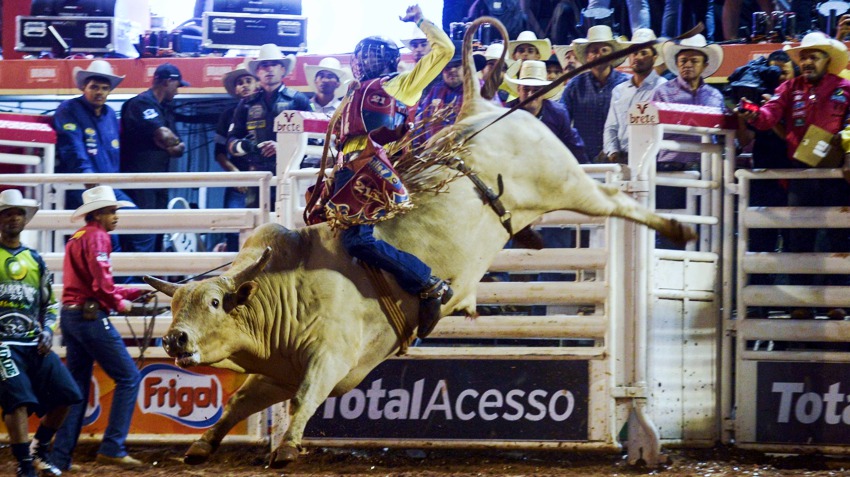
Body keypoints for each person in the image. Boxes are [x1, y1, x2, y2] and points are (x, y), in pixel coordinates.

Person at [311, 5, 454, 340]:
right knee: (331, 242)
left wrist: (420, 21)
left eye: (374, 55)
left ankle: (426, 283)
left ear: (389, 60)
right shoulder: (352, 91)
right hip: (347, 170)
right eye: (363, 55)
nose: (366, 61)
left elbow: (445, 50)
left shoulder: (402, 84)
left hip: (371, 170)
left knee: (357, 241)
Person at [738, 32, 850, 319]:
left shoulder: (845, 87)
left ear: (828, 60)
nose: (808, 62)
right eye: (804, 57)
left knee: (840, 238)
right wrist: (752, 113)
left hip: (836, 173)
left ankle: (836, 301)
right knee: (799, 238)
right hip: (801, 172)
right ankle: (800, 302)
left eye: (814, 56)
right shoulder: (789, 87)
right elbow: (768, 115)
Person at [51, 186, 149, 470]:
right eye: (111, 211)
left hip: (71, 316)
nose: (115, 216)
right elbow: (101, 285)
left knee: (77, 386)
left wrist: (130, 292)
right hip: (90, 317)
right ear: (97, 214)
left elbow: (95, 282)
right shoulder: (98, 238)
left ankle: (60, 457)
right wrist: (121, 303)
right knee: (129, 377)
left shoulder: (78, 238)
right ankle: (113, 446)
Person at [0, 189, 82, 477]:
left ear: (24, 219)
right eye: (7, 213)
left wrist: (48, 330)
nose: (13, 218)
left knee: (68, 394)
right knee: (18, 400)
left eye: (17, 213)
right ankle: (25, 466)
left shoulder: (35, 260)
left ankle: (39, 449)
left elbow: (49, 304)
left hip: (33, 343)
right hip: (2, 345)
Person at [227, 43, 313, 208]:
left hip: (290, 174)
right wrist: (246, 146)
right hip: (257, 176)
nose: (269, 69)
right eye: (264, 65)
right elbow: (231, 140)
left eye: (274, 64)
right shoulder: (246, 104)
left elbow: (316, 140)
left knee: (290, 225)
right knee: (255, 226)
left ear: (282, 69)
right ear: (257, 72)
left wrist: (284, 147)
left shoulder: (298, 100)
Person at [119, 63, 188, 254]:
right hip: (139, 181)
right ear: (167, 81)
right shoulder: (139, 103)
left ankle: (153, 278)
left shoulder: (164, 109)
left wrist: (168, 143)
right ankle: (137, 280)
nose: (178, 91)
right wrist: (167, 143)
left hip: (159, 180)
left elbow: (179, 147)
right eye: (177, 85)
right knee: (142, 231)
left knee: (158, 230)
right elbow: (166, 137)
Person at [54, 60, 133, 210]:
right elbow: (72, 148)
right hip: (81, 187)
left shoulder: (109, 114)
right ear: (84, 87)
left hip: (109, 188)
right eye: (94, 87)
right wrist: (88, 176)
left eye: (104, 88)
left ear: (109, 91)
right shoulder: (69, 109)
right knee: (108, 228)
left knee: (140, 224)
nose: (99, 92)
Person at [651, 34, 726, 169]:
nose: (688, 65)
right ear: (677, 64)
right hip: (671, 165)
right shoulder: (662, 92)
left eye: (694, 61)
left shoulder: (715, 96)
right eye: (683, 61)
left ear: (704, 65)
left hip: (707, 166)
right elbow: (652, 131)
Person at [561, 25, 631, 162]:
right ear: (587, 57)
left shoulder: (627, 84)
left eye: (604, 50)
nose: (599, 54)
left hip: (619, 159)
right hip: (582, 158)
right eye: (593, 51)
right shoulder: (575, 85)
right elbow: (562, 119)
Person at [603, 29, 667, 164]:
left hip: (652, 159)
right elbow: (611, 127)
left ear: (654, 58)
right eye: (634, 53)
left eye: (643, 53)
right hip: (622, 158)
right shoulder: (619, 90)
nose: (637, 57)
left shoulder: (663, 88)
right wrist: (613, 152)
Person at [213, 61, 259, 252]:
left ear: (257, 83)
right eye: (240, 82)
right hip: (238, 183)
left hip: (263, 175)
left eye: (248, 80)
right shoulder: (228, 114)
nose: (245, 85)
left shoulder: (268, 107)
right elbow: (219, 152)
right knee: (233, 227)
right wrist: (236, 174)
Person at [504, 60, 587, 162]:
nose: (530, 95)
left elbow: (575, 148)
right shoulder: (506, 114)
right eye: (526, 89)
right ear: (518, 90)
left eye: (536, 90)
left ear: (544, 92)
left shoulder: (558, 114)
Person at [415, 40, 487, 142]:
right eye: (447, 66)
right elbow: (420, 124)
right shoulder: (435, 90)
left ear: (467, 67)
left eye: (457, 65)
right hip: (432, 155)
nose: (452, 70)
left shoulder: (481, 89)